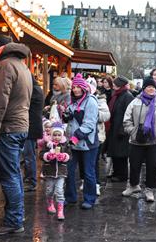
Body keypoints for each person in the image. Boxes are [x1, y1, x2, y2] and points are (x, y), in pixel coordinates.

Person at [0, 35, 33, 235]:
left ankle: (13, 220)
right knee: (14, 175)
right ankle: (16, 216)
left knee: (9, 177)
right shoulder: (22, 66)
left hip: (7, 129)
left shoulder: (5, 66)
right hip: (20, 127)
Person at [122, 77, 156, 202]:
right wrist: (133, 132)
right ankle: (134, 186)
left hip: (155, 141)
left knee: (153, 166)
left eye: (153, 87)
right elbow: (126, 120)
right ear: (144, 88)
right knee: (134, 164)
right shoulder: (135, 102)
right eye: (148, 87)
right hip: (136, 140)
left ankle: (150, 190)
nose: (151, 89)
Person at [64, 74, 99, 210]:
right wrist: (65, 115)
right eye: (74, 87)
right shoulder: (72, 101)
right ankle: (70, 196)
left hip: (87, 144)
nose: (76, 90)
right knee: (69, 170)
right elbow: (70, 121)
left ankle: (89, 198)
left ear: (84, 88)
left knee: (88, 172)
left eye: (79, 87)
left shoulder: (91, 102)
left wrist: (75, 137)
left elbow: (89, 124)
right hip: (73, 143)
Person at [40, 122, 70, 220]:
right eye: (55, 135)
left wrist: (64, 156)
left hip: (61, 172)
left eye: (59, 135)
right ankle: (50, 203)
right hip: (49, 172)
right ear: (51, 135)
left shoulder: (65, 145)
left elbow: (70, 155)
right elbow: (41, 155)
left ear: (62, 135)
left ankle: (60, 211)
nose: (57, 137)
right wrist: (47, 156)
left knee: (59, 191)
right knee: (49, 190)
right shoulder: (47, 145)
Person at [106, 76, 134, 182]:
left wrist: (123, 129)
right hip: (115, 128)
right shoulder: (117, 94)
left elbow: (129, 114)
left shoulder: (127, 96)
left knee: (121, 154)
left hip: (121, 130)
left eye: (115, 83)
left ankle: (122, 175)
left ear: (120, 85)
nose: (113, 85)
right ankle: (116, 172)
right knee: (115, 152)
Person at [23, 75, 44, 192]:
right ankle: (29, 178)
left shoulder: (34, 91)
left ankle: (31, 181)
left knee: (29, 156)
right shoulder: (36, 89)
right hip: (32, 126)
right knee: (29, 155)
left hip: (31, 127)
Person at [94, 86, 111, 195]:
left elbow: (106, 116)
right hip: (81, 137)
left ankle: (96, 184)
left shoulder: (100, 100)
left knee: (94, 161)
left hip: (97, 136)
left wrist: (93, 113)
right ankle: (84, 180)